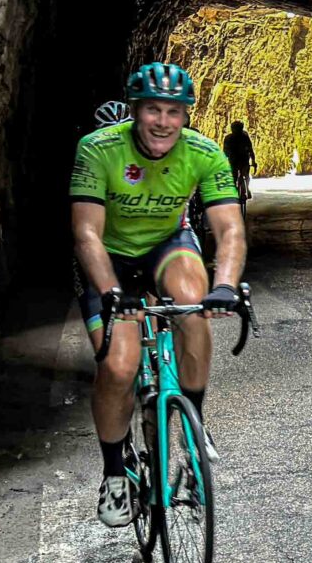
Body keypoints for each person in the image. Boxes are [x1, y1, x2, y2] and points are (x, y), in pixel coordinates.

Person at [70, 62, 246, 527]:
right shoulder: (97, 149)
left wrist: (225, 285)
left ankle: (193, 429)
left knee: (194, 301)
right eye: (152, 109)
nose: (162, 121)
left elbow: (229, 229)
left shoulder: (204, 153)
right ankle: (113, 473)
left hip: (167, 246)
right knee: (120, 365)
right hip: (108, 258)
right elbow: (86, 233)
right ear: (135, 111)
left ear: (186, 114)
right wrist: (112, 292)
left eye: (173, 111)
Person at [223, 120, 257, 200]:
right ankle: (244, 189)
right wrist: (253, 161)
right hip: (237, 159)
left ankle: (244, 189)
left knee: (243, 174)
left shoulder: (241, 137)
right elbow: (250, 150)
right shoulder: (241, 137)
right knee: (242, 175)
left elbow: (225, 152)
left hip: (240, 159)